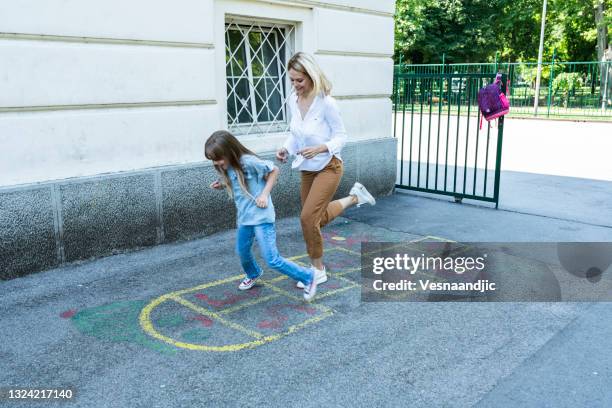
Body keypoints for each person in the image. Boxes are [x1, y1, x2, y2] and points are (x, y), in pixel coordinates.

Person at [276, 52, 376, 289]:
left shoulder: (326, 103)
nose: (295, 85)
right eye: (291, 80)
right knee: (316, 219)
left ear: (311, 77)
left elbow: (342, 136)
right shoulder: (293, 100)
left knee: (307, 218)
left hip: (329, 166)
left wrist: (322, 147)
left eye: (299, 80)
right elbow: (296, 133)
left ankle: (318, 270)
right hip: (307, 168)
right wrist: (285, 149)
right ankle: (355, 197)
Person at [205, 130, 318, 301]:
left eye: (218, 158)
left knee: (272, 259)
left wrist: (264, 194)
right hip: (245, 218)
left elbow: (274, 171)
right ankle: (254, 272)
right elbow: (236, 180)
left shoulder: (248, 162)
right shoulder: (228, 166)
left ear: (230, 152)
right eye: (213, 160)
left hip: (261, 218)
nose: (216, 163)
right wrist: (221, 184)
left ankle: (309, 276)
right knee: (242, 251)